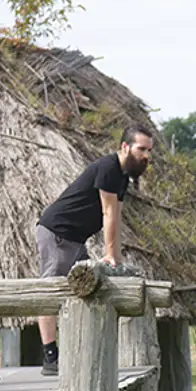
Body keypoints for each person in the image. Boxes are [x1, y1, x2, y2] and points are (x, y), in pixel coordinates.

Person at [35, 121, 155, 375]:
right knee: (50, 291)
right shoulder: (108, 167)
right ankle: (49, 357)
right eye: (142, 149)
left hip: (76, 239)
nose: (146, 156)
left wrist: (117, 258)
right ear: (125, 146)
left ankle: (75, 349)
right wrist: (110, 254)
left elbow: (117, 217)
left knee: (85, 290)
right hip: (58, 234)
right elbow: (108, 213)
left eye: (148, 151)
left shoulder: (122, 177)